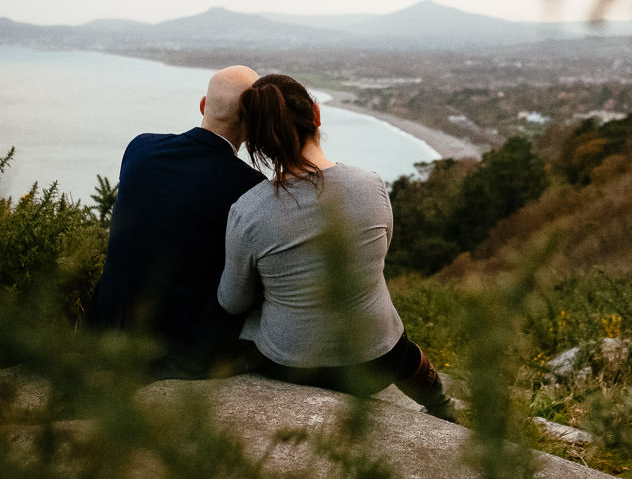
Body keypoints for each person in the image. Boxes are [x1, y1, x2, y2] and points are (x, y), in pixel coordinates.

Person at [218, 73, 456, 420]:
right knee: (392, 330)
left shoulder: (249, 211)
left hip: (291, 366)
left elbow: (232, 301)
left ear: (255, 139)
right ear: (316, 113)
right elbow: (377, 259)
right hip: (379, 362)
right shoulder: (371, 186)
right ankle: (443, 408)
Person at [87, 65, 264, 379]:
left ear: (202, 105)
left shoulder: (140, 148)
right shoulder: (248, 186)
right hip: (174, 348)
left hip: (106, 324)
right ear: (250, 124)